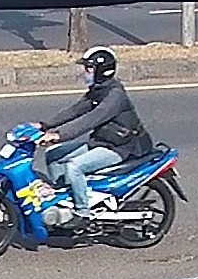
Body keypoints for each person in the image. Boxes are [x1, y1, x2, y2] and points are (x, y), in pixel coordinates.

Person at [37, 47, 152, 220]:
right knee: (54, 154)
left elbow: (91, 119)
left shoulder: (115, 95)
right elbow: (76, 110)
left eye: (89, 68)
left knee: (75, 167)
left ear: (103, 71)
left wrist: (58, 135)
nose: (85, 72)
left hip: (121, 147)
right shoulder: (99, 90)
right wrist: (44, 125)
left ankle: (82, 212)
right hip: (102, 141)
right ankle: (66, 197)